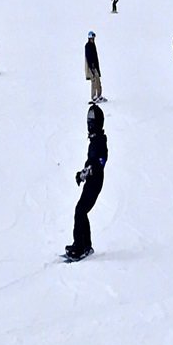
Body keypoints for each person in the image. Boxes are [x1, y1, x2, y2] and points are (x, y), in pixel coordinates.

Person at [65, 104, 108, 261]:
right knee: (82, 211)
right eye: (88, 122)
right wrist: (82, 173)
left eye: (92, 122)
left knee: (80, 210)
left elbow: (99, 162)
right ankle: (85, 244)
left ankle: (80, 246)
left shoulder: (100, 142)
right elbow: (90, 162)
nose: (89, 125)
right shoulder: (95, 140)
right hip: (91, 180)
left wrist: (87, 172)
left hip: (95, 182)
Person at [85, 31, 104, 102]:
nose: (93, 39)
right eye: (92, 38)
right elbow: (88, 57)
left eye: (93, 38)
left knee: (98, 81)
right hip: (91, 67)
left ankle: (99, 95)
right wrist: (91, 66)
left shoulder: (93, 45)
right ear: (89, 38)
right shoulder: (87, 46)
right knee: (94, 81)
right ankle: (94, 97)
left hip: (95, 66)